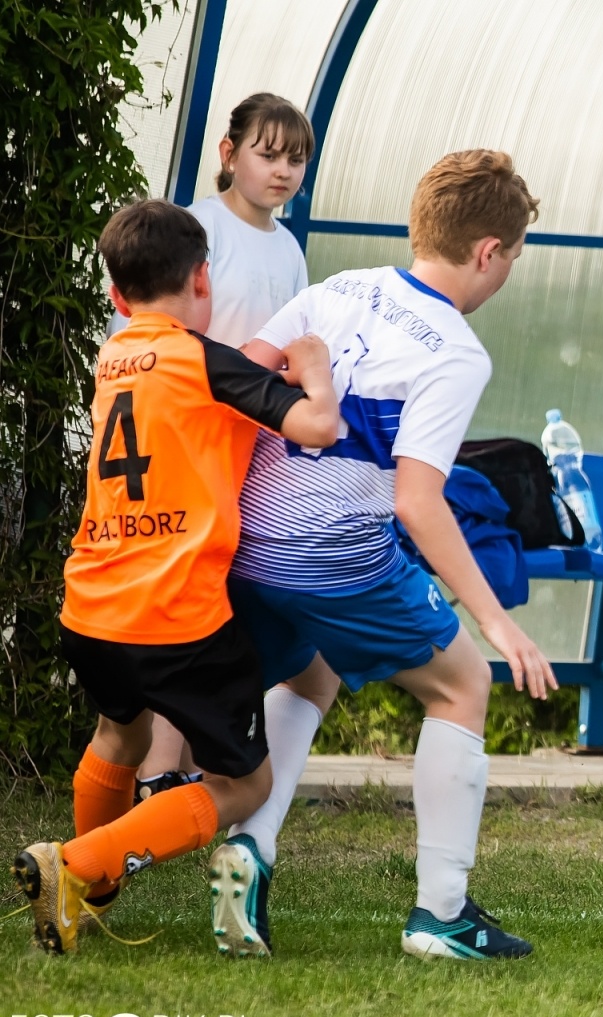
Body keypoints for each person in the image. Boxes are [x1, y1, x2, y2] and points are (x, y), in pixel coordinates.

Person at [215, 149, 557, 961]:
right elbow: (416, 501)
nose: (506, 272)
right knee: (462, 682)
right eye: (511, 257)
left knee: (313, 667)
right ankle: (442, 915)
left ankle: (250, 851)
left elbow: (234, 382)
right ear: (488, 253)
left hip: (247, 536)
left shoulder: (335, 287)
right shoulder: (456, 351)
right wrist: (498, 624)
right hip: (331, 554)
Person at [13, 199, 338, 956]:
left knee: (120, 733)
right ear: (202, 279)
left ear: (117, 298)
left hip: (91, 606)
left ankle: (85, 899)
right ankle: (77, 863)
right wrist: (313, 370)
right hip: (177, 615)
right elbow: (316, 428)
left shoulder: (112, 356)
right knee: (245, 786)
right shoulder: (204, 359)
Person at [132, 93, 317, 804]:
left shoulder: (291, 247)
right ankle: (155, 774)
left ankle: (180, 772)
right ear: (228, 154)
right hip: (193, 446)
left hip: (257, 451)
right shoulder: (194, 232)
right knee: (182, 605)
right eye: (268, 154)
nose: (283, 171)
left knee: (220, 608)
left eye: (296, 158)